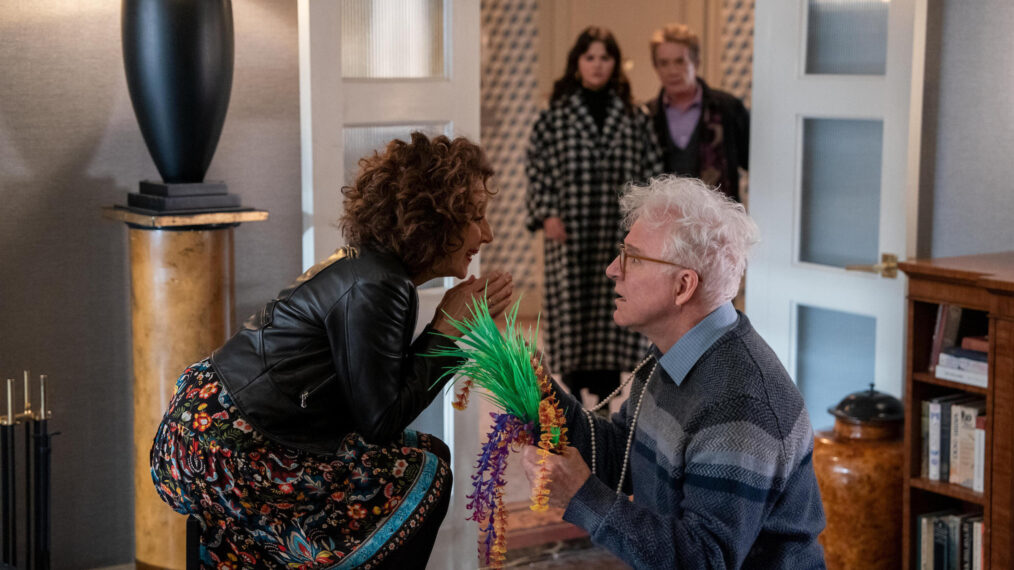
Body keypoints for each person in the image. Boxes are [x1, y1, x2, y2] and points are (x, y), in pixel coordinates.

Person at [150, 133, 514, 569]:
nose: (487, 234)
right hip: (226, 445)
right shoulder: (379, 284)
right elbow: (381, 421)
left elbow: (376, 403)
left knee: (429, 454)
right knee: (424, 475)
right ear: (434, 220)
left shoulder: (375, 271)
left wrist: (448, 330)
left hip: (215, 428)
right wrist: (448, 329)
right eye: (475, 218)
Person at [521, 175, 826, 569]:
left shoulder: (740, 403)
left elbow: (702, 560)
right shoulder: (676, 353)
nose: (614, 269)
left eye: (633, 257)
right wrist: (532, 388)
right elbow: (623, 455)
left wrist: (583, 496)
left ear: (683, 286)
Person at [525, 26, 663, 407]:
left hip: (617, 230)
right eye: (590, 57)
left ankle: (604, 401)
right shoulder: (554, 117)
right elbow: (537, 168)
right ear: (577, 64)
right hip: (570, 233)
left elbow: (651, 170)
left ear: (616, 63)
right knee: (573, 310)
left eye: (605, 57)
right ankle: (575, 398)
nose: (598, 65)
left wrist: (646, 221)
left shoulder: (635, 116)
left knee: (614, 304)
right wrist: (546, 212)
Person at [645, 23, 750, 202]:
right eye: (664, 63)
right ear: (656, 68)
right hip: (665, 219)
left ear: (696, 62)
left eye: (680, 61)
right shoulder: (648, 115)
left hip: (719, 219)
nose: (672, 71)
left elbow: (757, 165)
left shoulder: (727, 108)